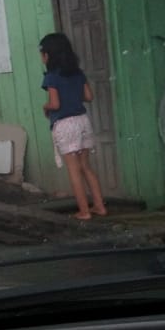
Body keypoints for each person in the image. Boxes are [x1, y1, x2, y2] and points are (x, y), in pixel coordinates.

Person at [39, 32, 107, 220]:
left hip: (65, 124)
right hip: (82, 120)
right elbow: (89, 97)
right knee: (86, 166)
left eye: (42, 53)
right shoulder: (77, 73)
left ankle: (84, 212)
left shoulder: (51, 77)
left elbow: (55, 104)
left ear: (48, 55)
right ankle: (99, 206)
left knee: (73, 169)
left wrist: (45, 107)